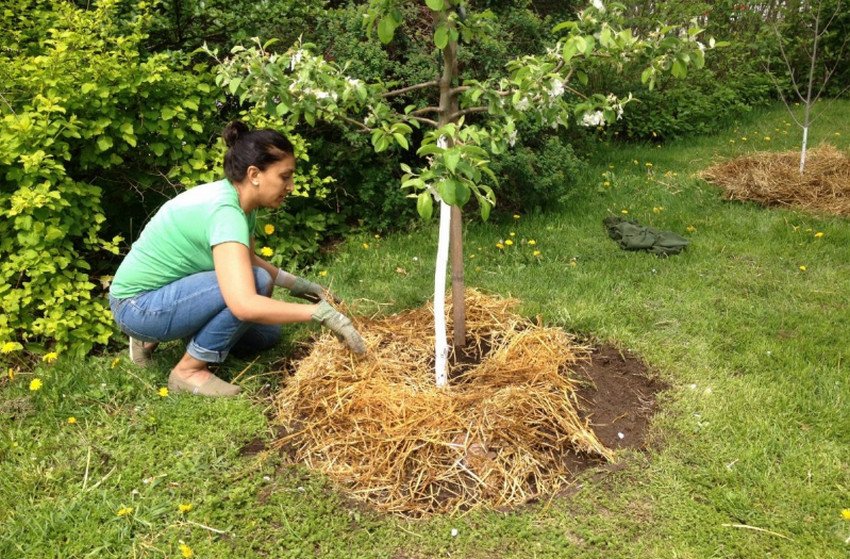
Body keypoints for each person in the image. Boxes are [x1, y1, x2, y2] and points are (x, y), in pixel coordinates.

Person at [108, 121, 365, 397]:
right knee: (255, 284)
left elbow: (248, 259)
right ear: (254, 174)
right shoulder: (225, 212)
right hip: (137, 306)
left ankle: (174, 338)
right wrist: (321, 314)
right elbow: (243, 303)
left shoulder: (241, 202)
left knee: (268, 336)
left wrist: (299, 285)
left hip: (169, 296)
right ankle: (187, 371)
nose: (290, 186)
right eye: (285, 177)